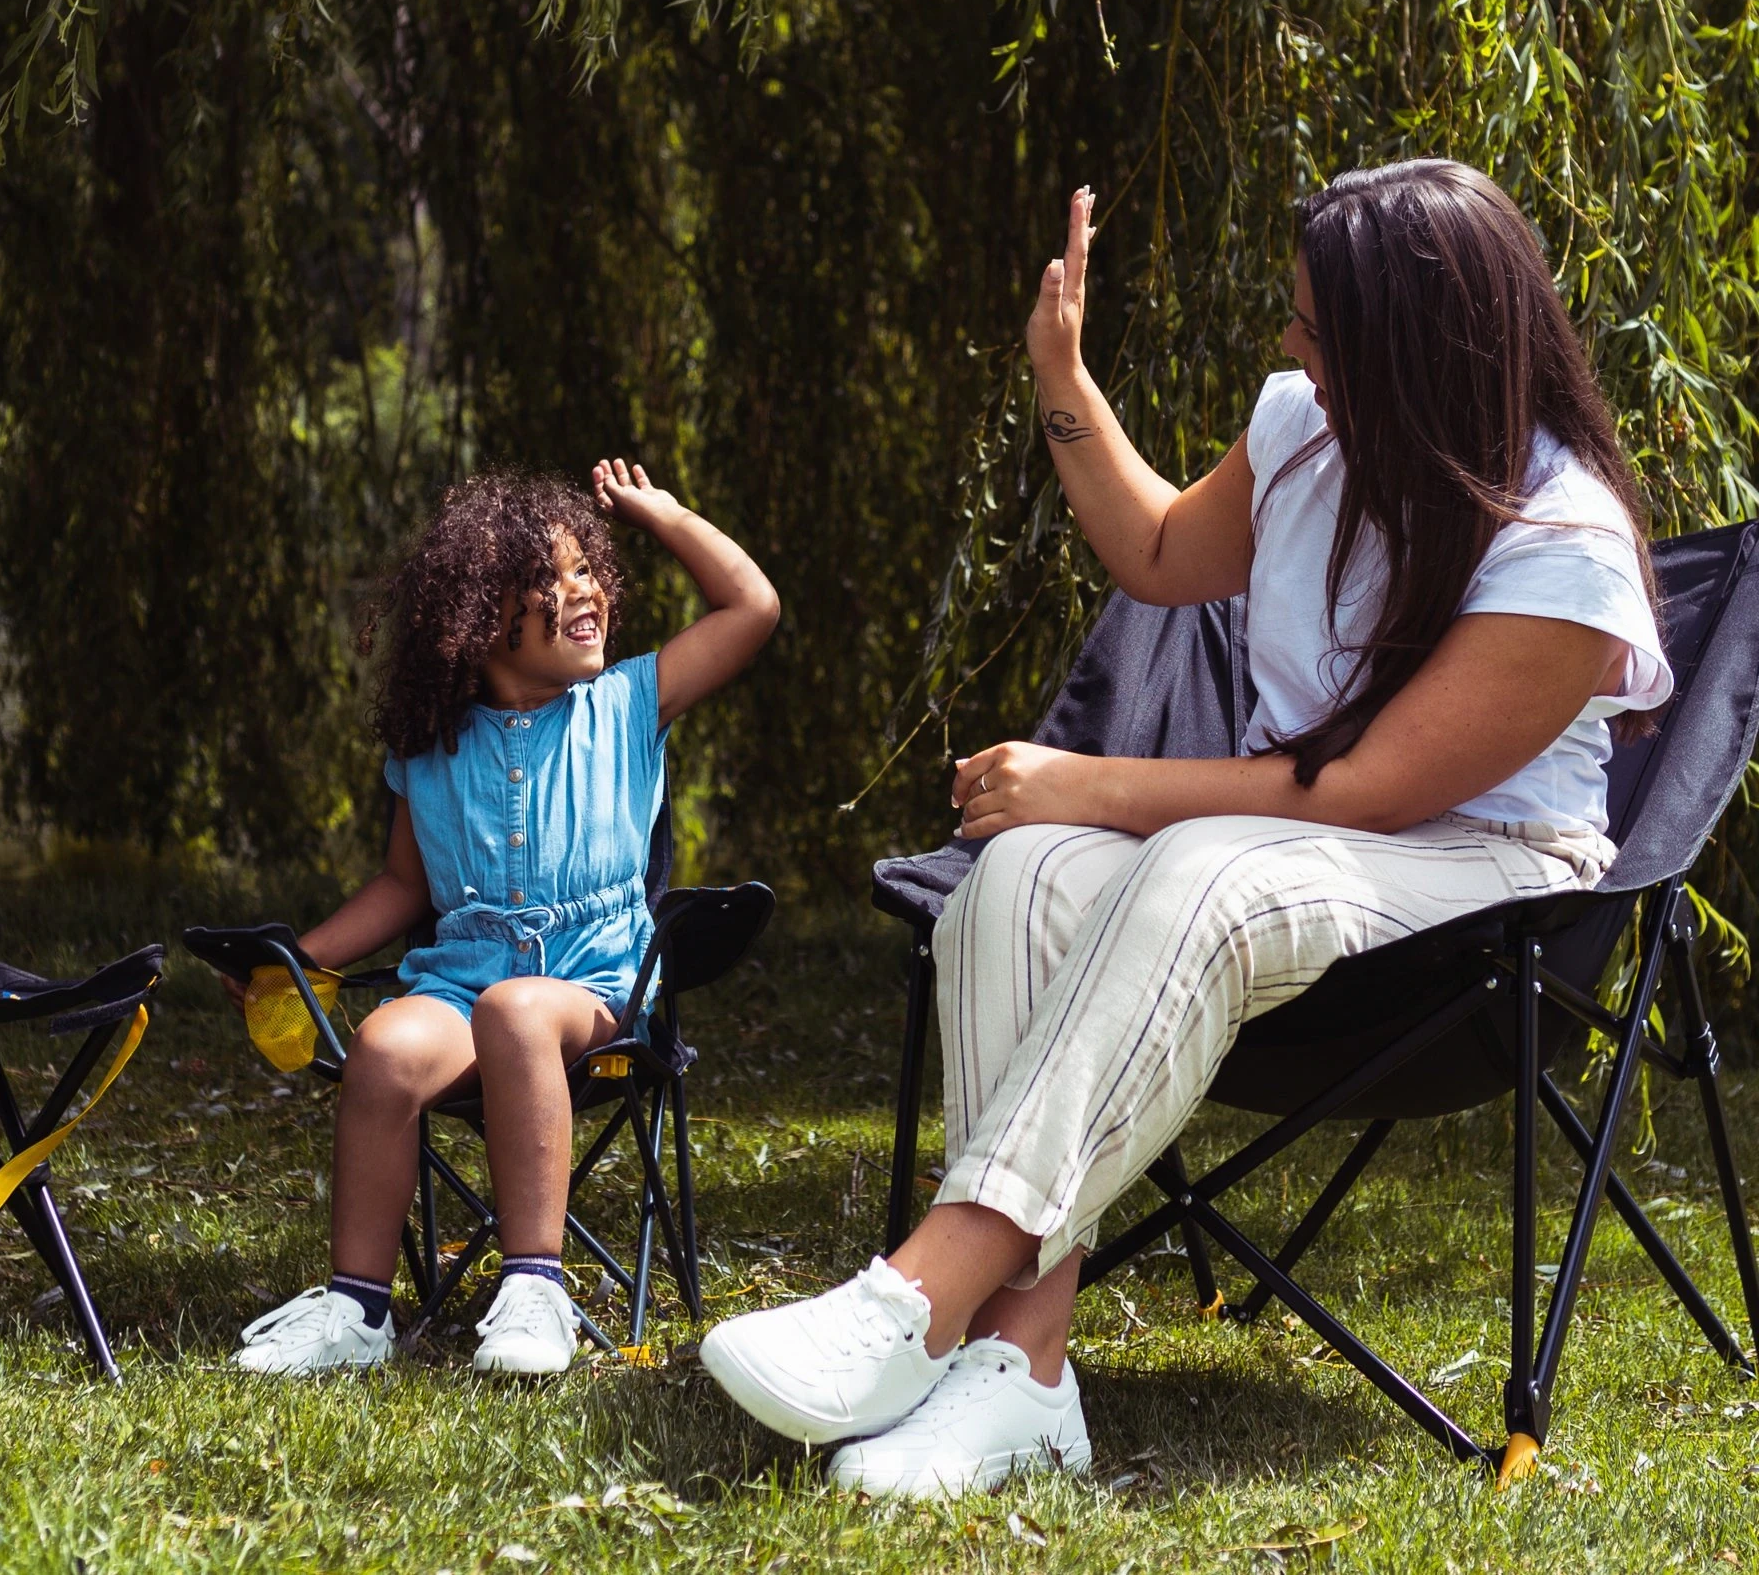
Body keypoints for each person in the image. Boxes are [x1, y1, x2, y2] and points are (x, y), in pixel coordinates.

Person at [701, 159, 1670, 1496]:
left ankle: (917, 1295)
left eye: (1315, 328)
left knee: (1193, 858)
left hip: (1486, 891)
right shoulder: (1306, 433)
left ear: (1414, 349)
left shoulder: (1565, 542)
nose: (1287, 346)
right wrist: (1063, 375)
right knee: (1023, 872)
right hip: (1310, 851)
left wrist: (1092, 779)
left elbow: (1370, 789)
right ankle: (1022, 1375)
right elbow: (1157, 555)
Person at [234, 458, 777, 1376]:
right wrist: (297, 957)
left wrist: (668, 517)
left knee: (519, 1009)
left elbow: (752, 608)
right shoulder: (432, 745)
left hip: (598, 989)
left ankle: (535, 1287)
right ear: (481, 618)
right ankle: (356, 1310)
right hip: (463, 977)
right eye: (550, 582)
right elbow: (405, 885)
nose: (586, 593)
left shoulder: (630, 702)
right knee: (386, 1046)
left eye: (589, 571)